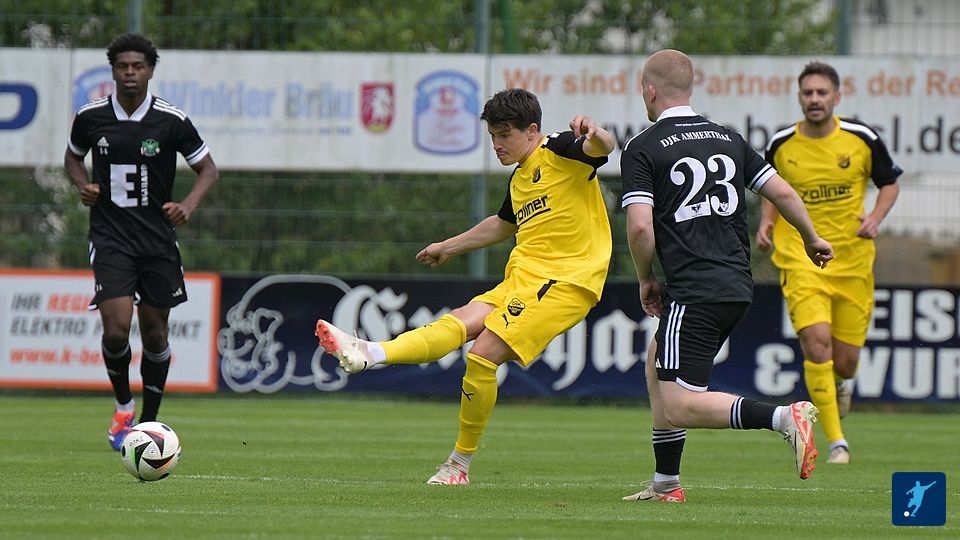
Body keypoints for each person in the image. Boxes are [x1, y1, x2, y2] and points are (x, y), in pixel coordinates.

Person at [316, 88, 615, 485]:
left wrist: (595, 131)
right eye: (493, 136)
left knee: (482, 354)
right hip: (523, 279)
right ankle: (370, 352)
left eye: (505, 135)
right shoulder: (520, 178)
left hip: (565, 281)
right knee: (460, 320)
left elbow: (602, 147)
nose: (497, 144)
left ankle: (458, 465)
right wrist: (448, 246)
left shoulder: (559, 149)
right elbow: (502, 225)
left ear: (532, 130)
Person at [619, 49, 835, 503]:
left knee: (680, 404)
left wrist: (645, 278)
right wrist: (812, 237)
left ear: (649, 91)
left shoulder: (643, 147)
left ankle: (783, 418)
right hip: (736, 283)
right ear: (689, 89)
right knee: (658, 362)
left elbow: (639, 228)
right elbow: (782, 192)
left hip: (694, 288)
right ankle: (666, 485)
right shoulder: (728, 138)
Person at [64, 33, 219, 451]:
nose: (130, 73)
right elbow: (72, 157)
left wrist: (187, 205)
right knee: (116, 330)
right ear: (113, 71)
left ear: (150, 71)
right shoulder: (91, 117)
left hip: (157, 241)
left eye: (137, 66)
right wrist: (82, 185)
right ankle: (122, 407)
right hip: (110, 238)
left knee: (154, 334)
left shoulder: (171, 120)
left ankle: (148, 423)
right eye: (122, 66)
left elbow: (208, 169)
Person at [757, 61, 901, 465]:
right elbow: (771, 189)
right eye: (808, 93)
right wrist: (767, 224)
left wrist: (875, 218)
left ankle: (839, 384)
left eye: (822, 93)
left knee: (847, 362)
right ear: (799, 97)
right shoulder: (782, 144)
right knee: (816, 342)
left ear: (837, 97)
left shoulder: (861, 138)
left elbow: (889, 183)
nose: (815, 99)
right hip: (801, 257)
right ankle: (837, 442)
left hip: (853, 262)